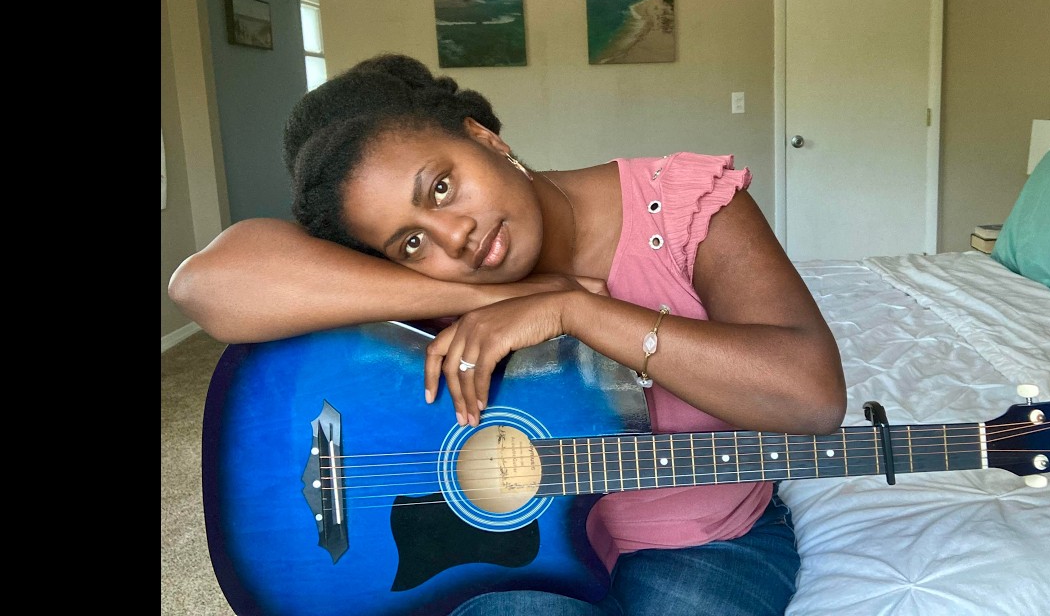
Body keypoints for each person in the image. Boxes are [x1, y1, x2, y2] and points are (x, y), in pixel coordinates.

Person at [168, 52, 846, 616]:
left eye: (440, 188)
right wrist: (486, 295)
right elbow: (204, 286)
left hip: (705, 541)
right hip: (510, 562)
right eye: (410, 242)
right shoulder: (424, 281)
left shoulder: (690, 206)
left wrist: (575, 312)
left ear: (485, 138)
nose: (454, 236)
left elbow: (811, 398)